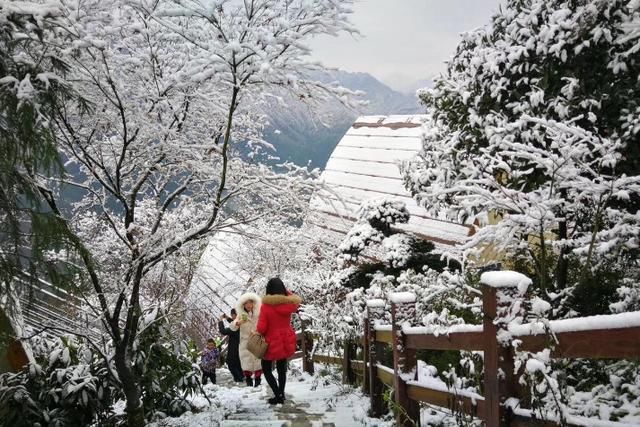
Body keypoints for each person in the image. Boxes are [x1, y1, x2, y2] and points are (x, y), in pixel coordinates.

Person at [256, 278, 301, 404]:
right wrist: (286, 292)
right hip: (285, 339)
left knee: (266, 368)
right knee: (282, 368)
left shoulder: (266, 307)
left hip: (271, 341)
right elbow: (294, 299)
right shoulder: (288, 304)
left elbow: (261, 328)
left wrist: (257, 331)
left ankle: (277, 394)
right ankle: (281, 393)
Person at [230, 292, 263, 387]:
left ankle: (258, 379)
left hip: (256, 339)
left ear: (254, 303)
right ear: (243, 305)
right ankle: (248, 379)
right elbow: (232, 327)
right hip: (245, 342)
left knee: (258, 360)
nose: (249, 305)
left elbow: (263, 324)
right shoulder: (241, 315)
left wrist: (259, 332)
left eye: (250, 302)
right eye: (246, 303)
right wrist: (238, 323)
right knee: (246, 361)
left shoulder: (258, 314)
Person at [218, 309, 244, 382]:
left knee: (231, 363)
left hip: (234, 347)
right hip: (239, 346)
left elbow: (223, 331)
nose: (232, 316)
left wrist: (220, 321)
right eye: (232, 315)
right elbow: (234, 323)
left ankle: (238, 378)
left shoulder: (235, 326)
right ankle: (241, 376)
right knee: (237, 362)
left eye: (233, 315)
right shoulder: (241, 321)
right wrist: (227, 318)